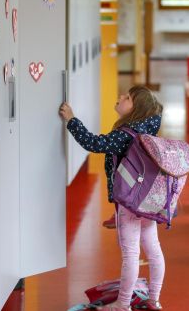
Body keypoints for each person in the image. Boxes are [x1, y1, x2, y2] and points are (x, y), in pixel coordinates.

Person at [59, 85, 166, 311]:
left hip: (129, 203)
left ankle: (122, 305)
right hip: (148, 201)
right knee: (153, 248)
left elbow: (94, 143)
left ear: (136, 108)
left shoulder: (126, 135)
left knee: (131, 254)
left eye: (127, 97)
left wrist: (71, 120)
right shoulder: (148, 130)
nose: (120, 97)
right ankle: (154, 299)